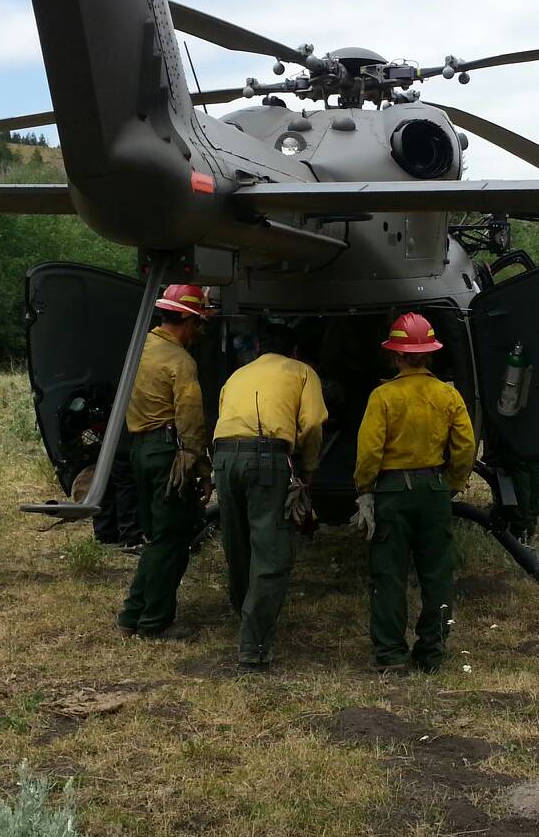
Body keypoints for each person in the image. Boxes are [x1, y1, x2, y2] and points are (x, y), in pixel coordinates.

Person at [351, 312, 475, 673]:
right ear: (431, 353)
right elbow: (465, 447)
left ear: (395, 355)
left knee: (388, 574)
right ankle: (432, 653)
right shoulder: (447, 395)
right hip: (434, 489)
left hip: (392, 492)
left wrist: (365, 490)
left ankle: (391, 655)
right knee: (437, 573)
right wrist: (450, 482)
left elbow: (369, 451)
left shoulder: (383, 396)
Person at [212, 320, 328, 671]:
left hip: (223, 456)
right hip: (266, 458)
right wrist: (308, 470)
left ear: (259, 348)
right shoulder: (303, 372)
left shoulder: (237, 375)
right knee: (271, 549)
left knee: (237, 541)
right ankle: (254, 645)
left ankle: (245, 613)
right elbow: (311, 424)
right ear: (293, 351)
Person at [117, 284, 211, 639]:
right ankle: (153, 622)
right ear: (185, 319)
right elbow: (190, 417)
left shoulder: (139, 349)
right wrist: (200, 468)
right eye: (197, 323)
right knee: (172, 538)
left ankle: (132, 615)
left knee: (158, 537)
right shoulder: (180, 361)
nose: (197, 332)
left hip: (140, 449)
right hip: (169, 453)